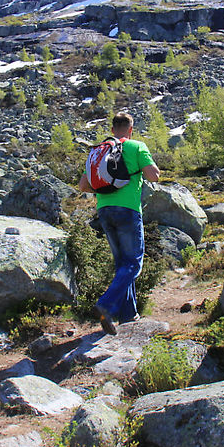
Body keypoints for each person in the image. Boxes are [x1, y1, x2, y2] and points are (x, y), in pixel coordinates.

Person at [78, 112, 160, 335]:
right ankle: (106, 304)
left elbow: (83, 186)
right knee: (133, 264)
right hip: (128, 210)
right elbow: (153, 176)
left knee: (122, 264)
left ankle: (128, 315)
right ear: (131, 129)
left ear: (113, 129)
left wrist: (107, 189)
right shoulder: (136, 146)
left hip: (104, 210)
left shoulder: (99, 150)